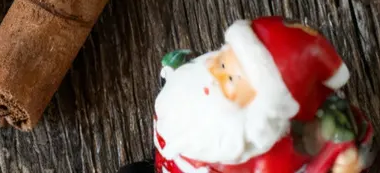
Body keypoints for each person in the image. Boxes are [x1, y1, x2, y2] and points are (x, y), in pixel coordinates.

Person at [122, 17, 374, 173]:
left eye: (231, 78)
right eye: (221, 62)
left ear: (261, 110)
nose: (215, 74)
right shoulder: (191, 87)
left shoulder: (266, 158)